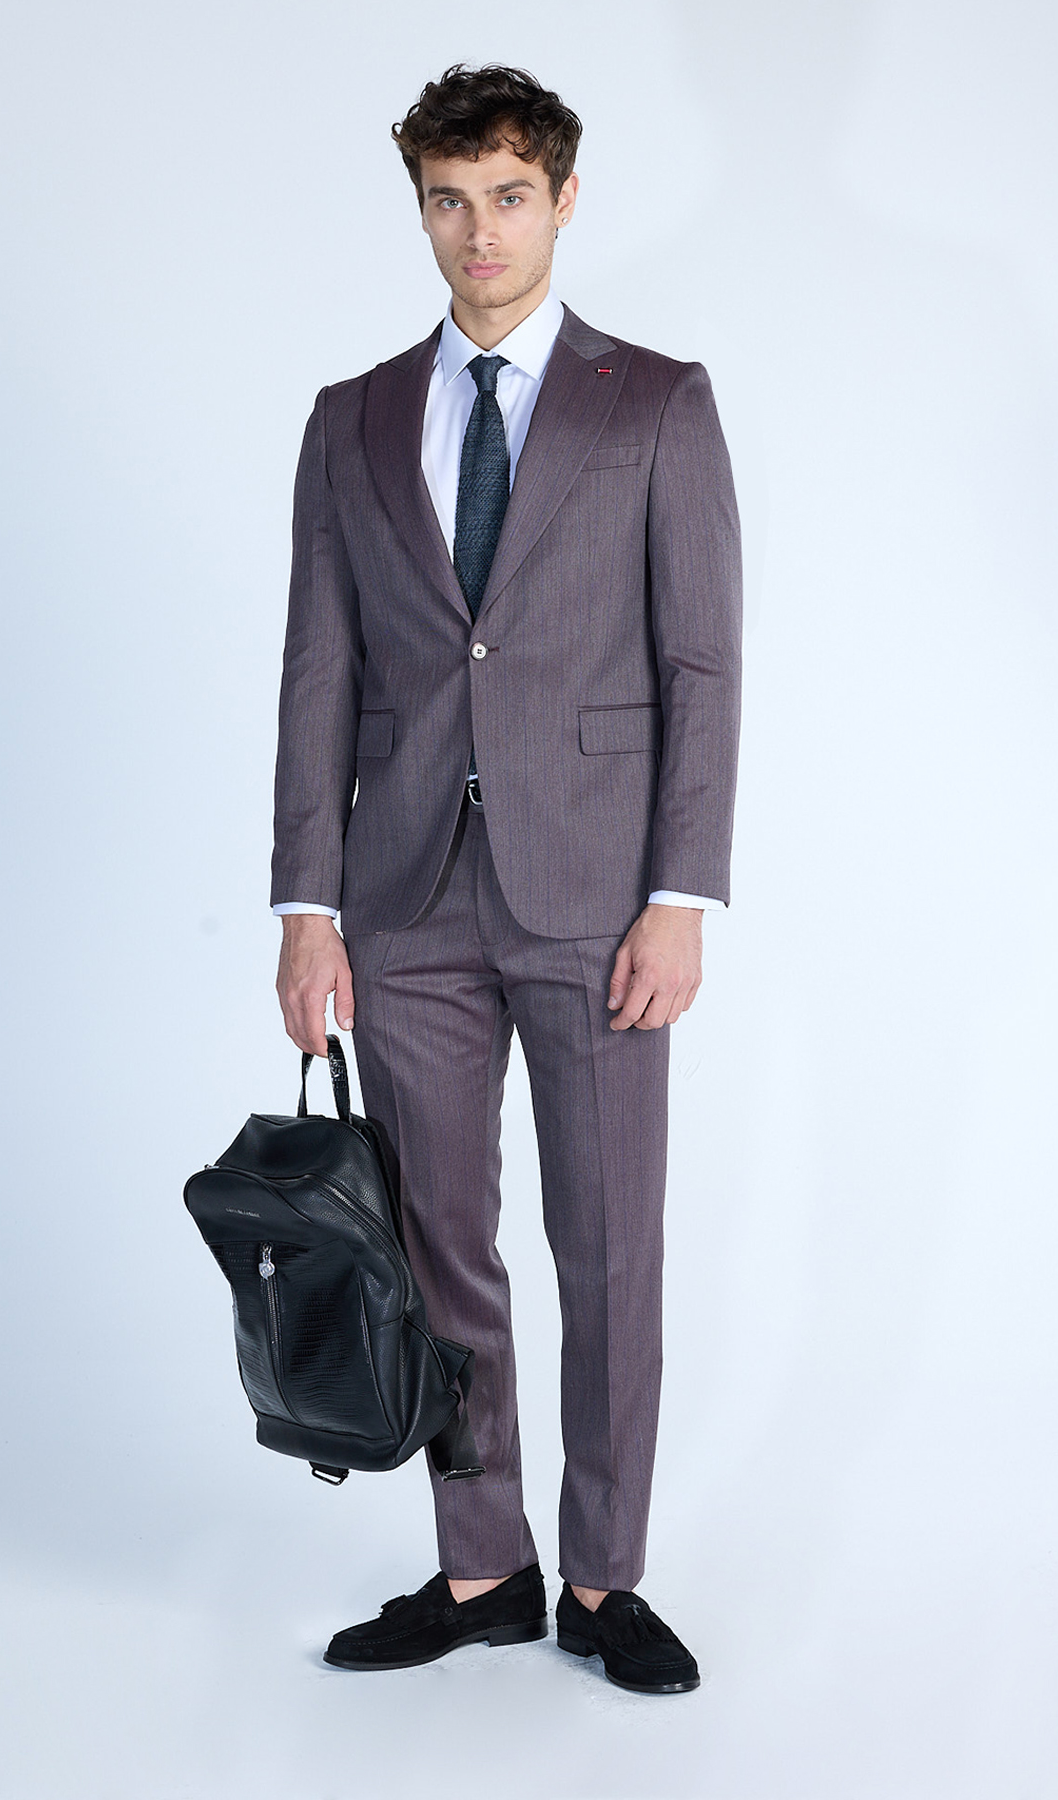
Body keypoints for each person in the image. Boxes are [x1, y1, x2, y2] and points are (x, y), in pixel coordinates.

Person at [272, 64, 741, 1695]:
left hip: (602, 902)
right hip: (402, 903)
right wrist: (306, 908)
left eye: (511, 196)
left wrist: (683, 892)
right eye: (450, 200)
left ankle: (604, 1580)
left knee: (608, 1248)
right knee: (434, 1247)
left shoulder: (653, 403)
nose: (480, 231)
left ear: (563, 200)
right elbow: (316, 675)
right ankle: (484, 1566)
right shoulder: (349, 420)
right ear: (421, 208)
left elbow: (702, 664)